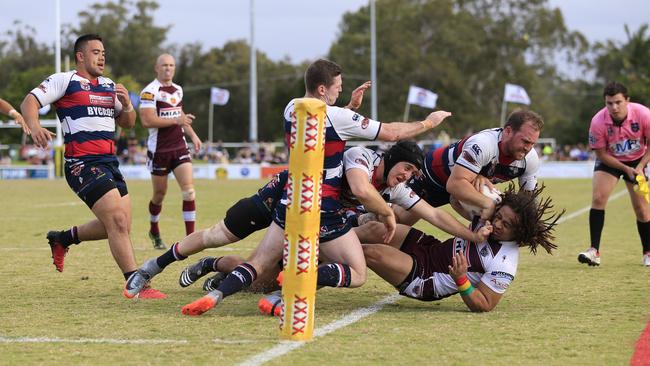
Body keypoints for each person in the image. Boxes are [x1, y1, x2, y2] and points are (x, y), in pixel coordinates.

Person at [176, 58, 452, 316]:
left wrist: (351, 109)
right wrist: (429, 121)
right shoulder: (345, 130)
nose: (339, 93)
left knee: (259, 266)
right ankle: (298, 277)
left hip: (291, 198)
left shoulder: (292, 107)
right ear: (323, 89)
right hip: (323, 206)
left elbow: (324, 124)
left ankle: (217, 296)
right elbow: (391, 133)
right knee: (357, 273)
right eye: (337, 88)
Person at [20, 34, 165, 299]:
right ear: (81, 56)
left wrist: (128, 105)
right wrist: (35, 125)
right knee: (118, 221)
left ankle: (63, 238)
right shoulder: (65, 80)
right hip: (81, 164)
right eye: (96, 52)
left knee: (119, 225)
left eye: (104, 53)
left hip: (110, 163)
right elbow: (29, 102)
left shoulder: (109, 85)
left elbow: (128, 123)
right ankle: (136, 283)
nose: (102, 57)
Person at [358, 184, 562, 312]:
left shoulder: (505, 262)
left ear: (520, 232)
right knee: (375, 229)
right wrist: (480, 183)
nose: (498, 224)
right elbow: (454, 198)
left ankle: (325, 271)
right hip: (430, 249)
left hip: (425, 276)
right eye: (499, 217)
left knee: (370, 252)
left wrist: (461, 279)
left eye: (506, 225)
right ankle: (328, 241)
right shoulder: (490, 213)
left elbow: (484, 304)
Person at [406, 110, 543, 222]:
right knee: (397, 222)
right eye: (525, 141)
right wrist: (488, 204)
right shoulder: (484, 144)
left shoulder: (530, 159)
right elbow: (455, 185)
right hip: (433, 177)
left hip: (465, 182)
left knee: (500, 219)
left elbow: (528, 202)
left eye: (532, 144)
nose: (528, 148)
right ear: (507, 131)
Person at [578, 82, 650, 267]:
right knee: (598, 198)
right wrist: (624, 169)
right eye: (609, 103)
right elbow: (600, 153)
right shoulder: (598, 121)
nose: (614, 107)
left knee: (642, 209)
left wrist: (641, 166)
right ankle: (594, 251)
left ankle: (647, 252)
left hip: (638, 161)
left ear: (627, 100)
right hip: (610, 160)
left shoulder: (643, 114)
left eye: (618, 102)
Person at [139, 53, 201, 249]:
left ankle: (190, 239)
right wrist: (176, 121)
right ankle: (154, 229)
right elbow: (147, 120)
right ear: (156, 68)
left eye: (171, 65)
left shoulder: (178, 90)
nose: (168, 68)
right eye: (164, 65)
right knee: (159, 195)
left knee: (189, 191)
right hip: (159, 151)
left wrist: (193, 135)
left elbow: (179, 115)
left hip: (179, 147)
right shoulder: (149, 92)